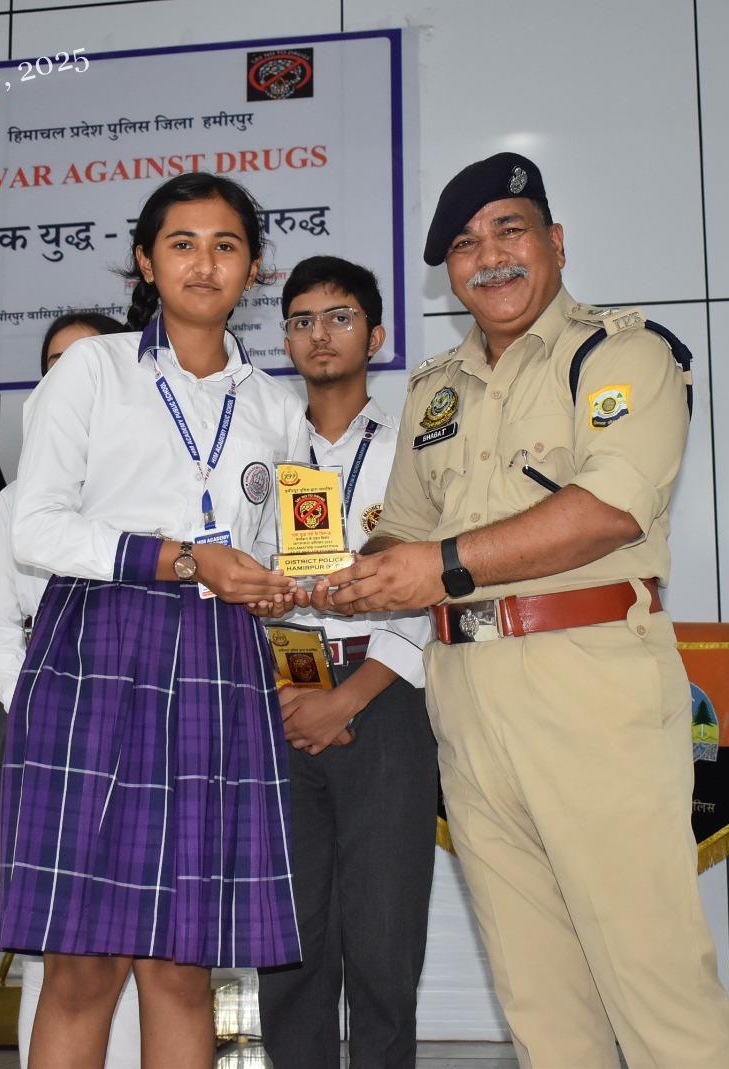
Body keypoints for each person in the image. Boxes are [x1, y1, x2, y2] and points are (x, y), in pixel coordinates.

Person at [315, 153, 729, 1067]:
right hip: (466, 698)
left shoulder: (623, 354)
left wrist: (437, 566)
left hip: (588, 683)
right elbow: (403, 534)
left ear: (555, 240)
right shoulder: (435, 388)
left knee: (655, 977)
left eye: (509, 231)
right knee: (538, 995)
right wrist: (335, 577)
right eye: (465, 245)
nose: (490, 257)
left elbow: (609, 509)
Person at [0, 172, 308, 1069]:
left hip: (219, 664)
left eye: (226, 245)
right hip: (97, 651)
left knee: (182, 965)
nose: (204, 263)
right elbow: (34, 529)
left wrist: (284, 589)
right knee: (81, 965)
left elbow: (289, 554)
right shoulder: (92, 370)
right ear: (145, 261)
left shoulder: (276, 407)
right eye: (182, 244)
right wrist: (182, 558)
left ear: (254, 268)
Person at [256, 257, 435, 1069]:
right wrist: (290, 692)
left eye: (339, 317)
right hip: (279, 701)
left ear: (377, 335)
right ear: (285, 339)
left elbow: (435, 588)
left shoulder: (415, 446)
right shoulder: (260, 451)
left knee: (383, 937)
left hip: (384, 697)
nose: (319, 334)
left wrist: (350, 696)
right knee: (289, 940)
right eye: (301, 320)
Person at [0, 310, 128, 1067]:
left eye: (89, 360)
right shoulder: (20, 497)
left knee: (152, 943)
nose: (71, 377)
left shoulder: (156, 488)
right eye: (57, 363)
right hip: (36, 728)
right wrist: (49, 704)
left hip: (140, 729)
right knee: (57, 949)